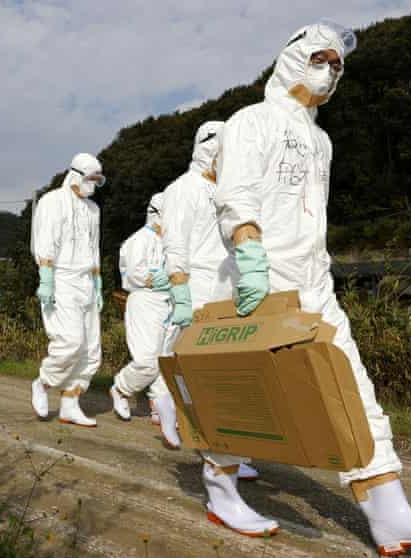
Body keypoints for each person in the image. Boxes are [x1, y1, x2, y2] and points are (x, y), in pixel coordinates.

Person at [210, 22, 411, 552]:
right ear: (292, 58)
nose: (330, 71)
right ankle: (220, 487)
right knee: (246, 396)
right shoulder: (250, 121)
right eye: (321, 58)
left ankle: (388, 508)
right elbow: (234, 192)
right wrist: (249, 251)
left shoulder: (322, 140)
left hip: (313, 280)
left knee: (350, 386)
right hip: (261, 277)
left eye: (337, 65)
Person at [158, 122, 259, 479]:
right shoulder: (182, 190)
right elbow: (175, 244)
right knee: (193, 372)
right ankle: (170, 407)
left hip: (228, 289)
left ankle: (227, 452)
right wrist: (180, 290)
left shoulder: (229, 194)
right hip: (198, 286)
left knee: (226, 376)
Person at [30, 153, 104, 427]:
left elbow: (94, 247)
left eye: (98, 180)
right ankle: (43, 383)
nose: (93, 184)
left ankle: (70, 404)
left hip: (86, 280)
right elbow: (45, 240)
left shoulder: (93, 210)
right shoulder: (52, 201)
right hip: (61, 279)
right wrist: (46, 277)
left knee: (91, 349)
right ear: (75, 174)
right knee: (70, 342)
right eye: (90, 178)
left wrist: (98, 283)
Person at [110, 193, 180, 446]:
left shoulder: (173, 242)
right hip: (145, 301)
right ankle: (121, 388)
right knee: (148, 360)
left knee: (167, 357)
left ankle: (160, 406)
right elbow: (132, 276)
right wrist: (160, 278)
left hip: (170, 302)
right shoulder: (137, 241)